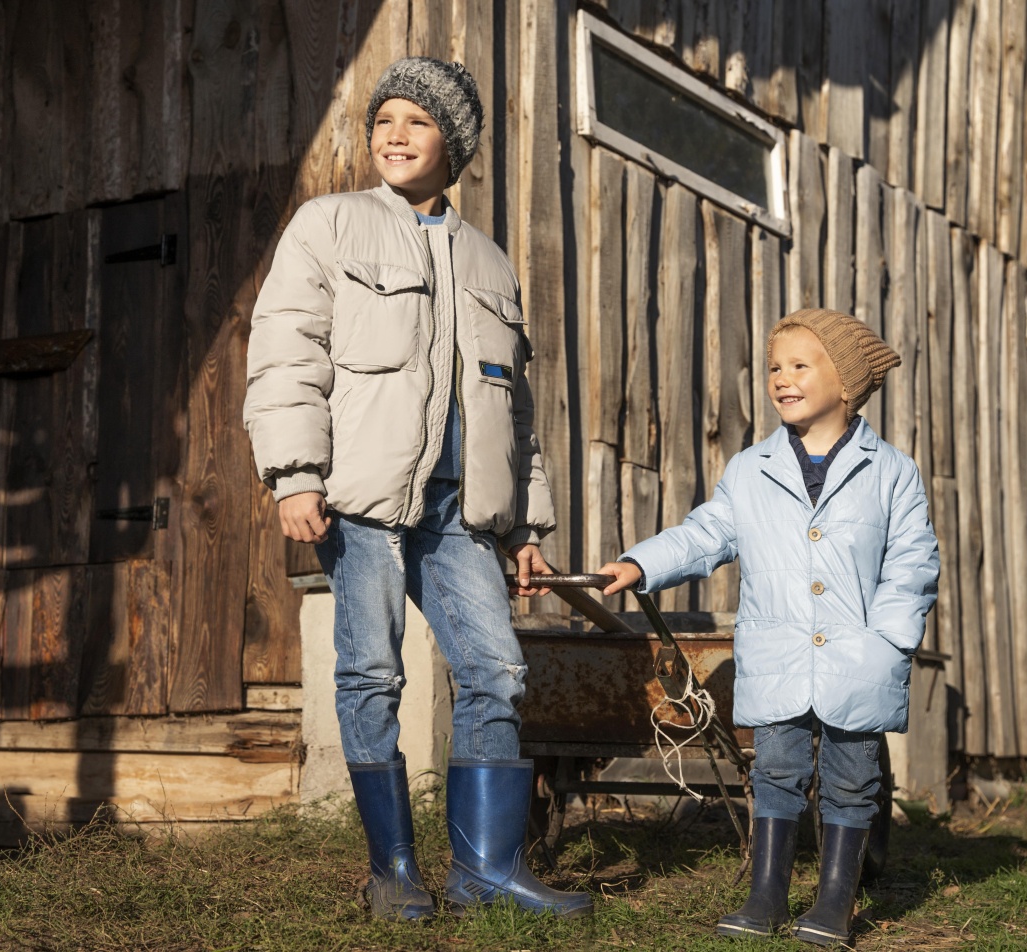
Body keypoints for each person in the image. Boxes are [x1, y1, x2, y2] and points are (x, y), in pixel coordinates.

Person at [243, 56, 591, 922]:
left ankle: (486, 872)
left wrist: (524, 524)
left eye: (418, 121)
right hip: (359, 501)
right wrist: (295, 474)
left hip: (456, 511)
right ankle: (393, 871)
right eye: (384, 119)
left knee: (497, 670)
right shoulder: (329, 226)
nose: (395, 135)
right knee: (370, 673)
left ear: (455, 142)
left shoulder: (488, 259)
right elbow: (287, 353)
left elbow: (514, 411)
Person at [597, 309, 939, 945]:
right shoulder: (752, 469)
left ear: (846, 381)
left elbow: (913, 563)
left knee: (852, 774)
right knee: (776, 769)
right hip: (778, 650)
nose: (782, 378)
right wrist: (641, 561)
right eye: (775, 367)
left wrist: (888, 641)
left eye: (800, 366)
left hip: (858, 657)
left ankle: (835, 900)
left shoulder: (891, 470)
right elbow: (707, 533)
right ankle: (767, 895)